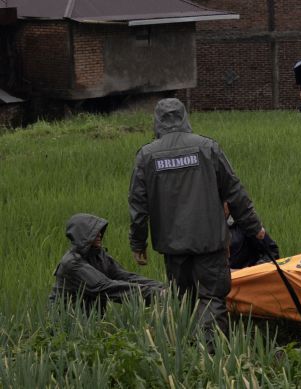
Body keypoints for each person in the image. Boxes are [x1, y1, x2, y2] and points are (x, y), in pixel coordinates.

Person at [128, 98, 268, 342]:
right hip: (210, 243)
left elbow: (138, 206)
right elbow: (234, 192)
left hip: (173, 248)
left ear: (157, 121)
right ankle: (212, 355)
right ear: (184, 117)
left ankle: (187, 354)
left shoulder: (147, 156)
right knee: (212, 298)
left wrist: (138, 244)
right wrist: (254, 227)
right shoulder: (207, 148)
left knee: (183, 300)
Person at [49, 213, 163, 312]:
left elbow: (125, 277)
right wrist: (157, 295)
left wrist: (163, 288)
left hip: (90, 321)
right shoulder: (72, 263)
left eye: (99, 231)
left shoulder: (99, 255)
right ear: (82, 236)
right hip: (65, 324)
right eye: (93, 232)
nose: (99, 234)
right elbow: (104, 287)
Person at [224, 202, 280, 270]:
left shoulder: (247, 222)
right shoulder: (210, 228)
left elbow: (272, 251)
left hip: (246, 276)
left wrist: (254, 269)